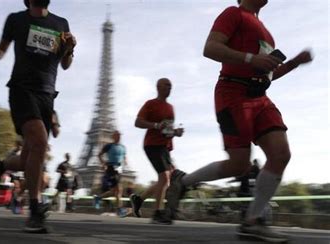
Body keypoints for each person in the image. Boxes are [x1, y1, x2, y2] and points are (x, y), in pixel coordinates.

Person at [165, 0, 313, 242]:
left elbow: (267, 74)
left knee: (280, 154)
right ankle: (184, 181)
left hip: (261, 97)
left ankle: (252, 222)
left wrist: (294, 62)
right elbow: (210, 48)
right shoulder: (234, 13)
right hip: (233, 93)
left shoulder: (266, 32)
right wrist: (249, 58)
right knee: (239, 165)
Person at [0, 0, 76, 233]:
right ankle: (35, 209)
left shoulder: (61, 23)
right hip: (22, 89)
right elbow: (2, 48)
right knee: (41, 143)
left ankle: (0, 166)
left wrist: (71, 49)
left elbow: (65, 64)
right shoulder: (16, 19)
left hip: (47, 94)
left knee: (28, 159)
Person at [129, 78, 184, 224]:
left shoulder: (171, 108)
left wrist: (176, 132)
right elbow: (137, 122)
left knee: (165, 178)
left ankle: (139, 199)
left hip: (164, 146)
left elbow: (168, 130)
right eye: (166, 85)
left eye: (171, 86)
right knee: (165, 177)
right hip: (152, 144)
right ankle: (157, 213)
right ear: (158, 87)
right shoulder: (150, 104)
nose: (169, 88)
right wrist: (155, 125)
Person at [95, 131, 128, 218]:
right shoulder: (108, 146)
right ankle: (120, 210)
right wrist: (103, 164)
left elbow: (124, 157)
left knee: (116, 191)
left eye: (119, 135)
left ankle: (98, 197)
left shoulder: (123, 147)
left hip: (119, 170)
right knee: (119, 190)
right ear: (113, 137)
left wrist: (125, 162)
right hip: (111, 168)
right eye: (117, 135)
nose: (119, 137)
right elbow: (99, 155)